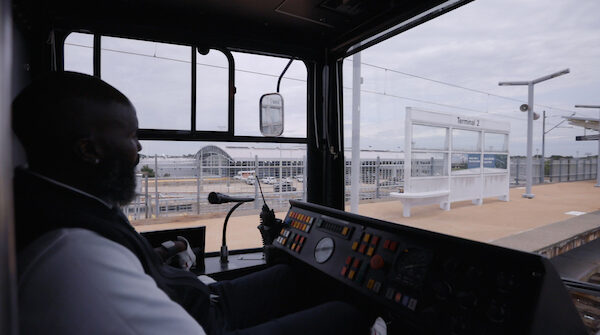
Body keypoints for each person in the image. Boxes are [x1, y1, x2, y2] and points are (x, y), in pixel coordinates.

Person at [13, 72, 370, 334]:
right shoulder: (74, 251)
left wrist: (172, 246)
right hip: (206, 320)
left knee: (291, 276)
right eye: (131, 137)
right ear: (88, 150)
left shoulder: (75, 206)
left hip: (201, 297)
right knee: (345, 314)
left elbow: (131, 262)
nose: (139, 151)